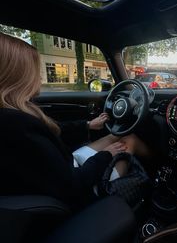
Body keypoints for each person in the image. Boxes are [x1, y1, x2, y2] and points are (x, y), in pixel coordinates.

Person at [0, 32, 148, 209]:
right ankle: (158, 170)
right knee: (129, 141)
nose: (39, 77)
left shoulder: (13, 114)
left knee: (117, 135)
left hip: (67, 167)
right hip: (80, 191)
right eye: (34, 71)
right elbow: (73, 184)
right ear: (18, 76)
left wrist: (87, 125)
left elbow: (53, 132)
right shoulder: (16, 125)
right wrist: (107, 154)